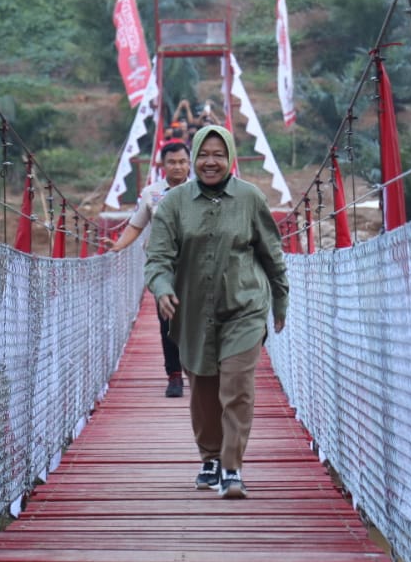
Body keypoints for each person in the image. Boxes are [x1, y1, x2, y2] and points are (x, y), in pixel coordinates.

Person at [144, 125, 288, 499]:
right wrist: (161, 288)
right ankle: (209, 456)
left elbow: (272, 255)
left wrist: (280, 301)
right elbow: (158, 257)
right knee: (204, 390)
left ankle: (231, 467)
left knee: (236, 387)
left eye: (218, 154)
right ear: (194, 158)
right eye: (203, 155)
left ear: (230, 158)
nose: (211, 162)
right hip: (192, 311)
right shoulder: (174, 204)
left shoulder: (250, 198)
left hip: (245, 307)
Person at [111, 139, 191, 397]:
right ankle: (175, 375)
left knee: (198, 321)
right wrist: (117, 247)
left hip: (198, 266)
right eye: (172, 162)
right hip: (163, 268)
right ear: (162, 165)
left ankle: (195, 369)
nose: (177, 167)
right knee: (167, 321)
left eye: (182, 161)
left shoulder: (204, 191)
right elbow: (136, 226)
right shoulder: (152, 193)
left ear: (189, 163)